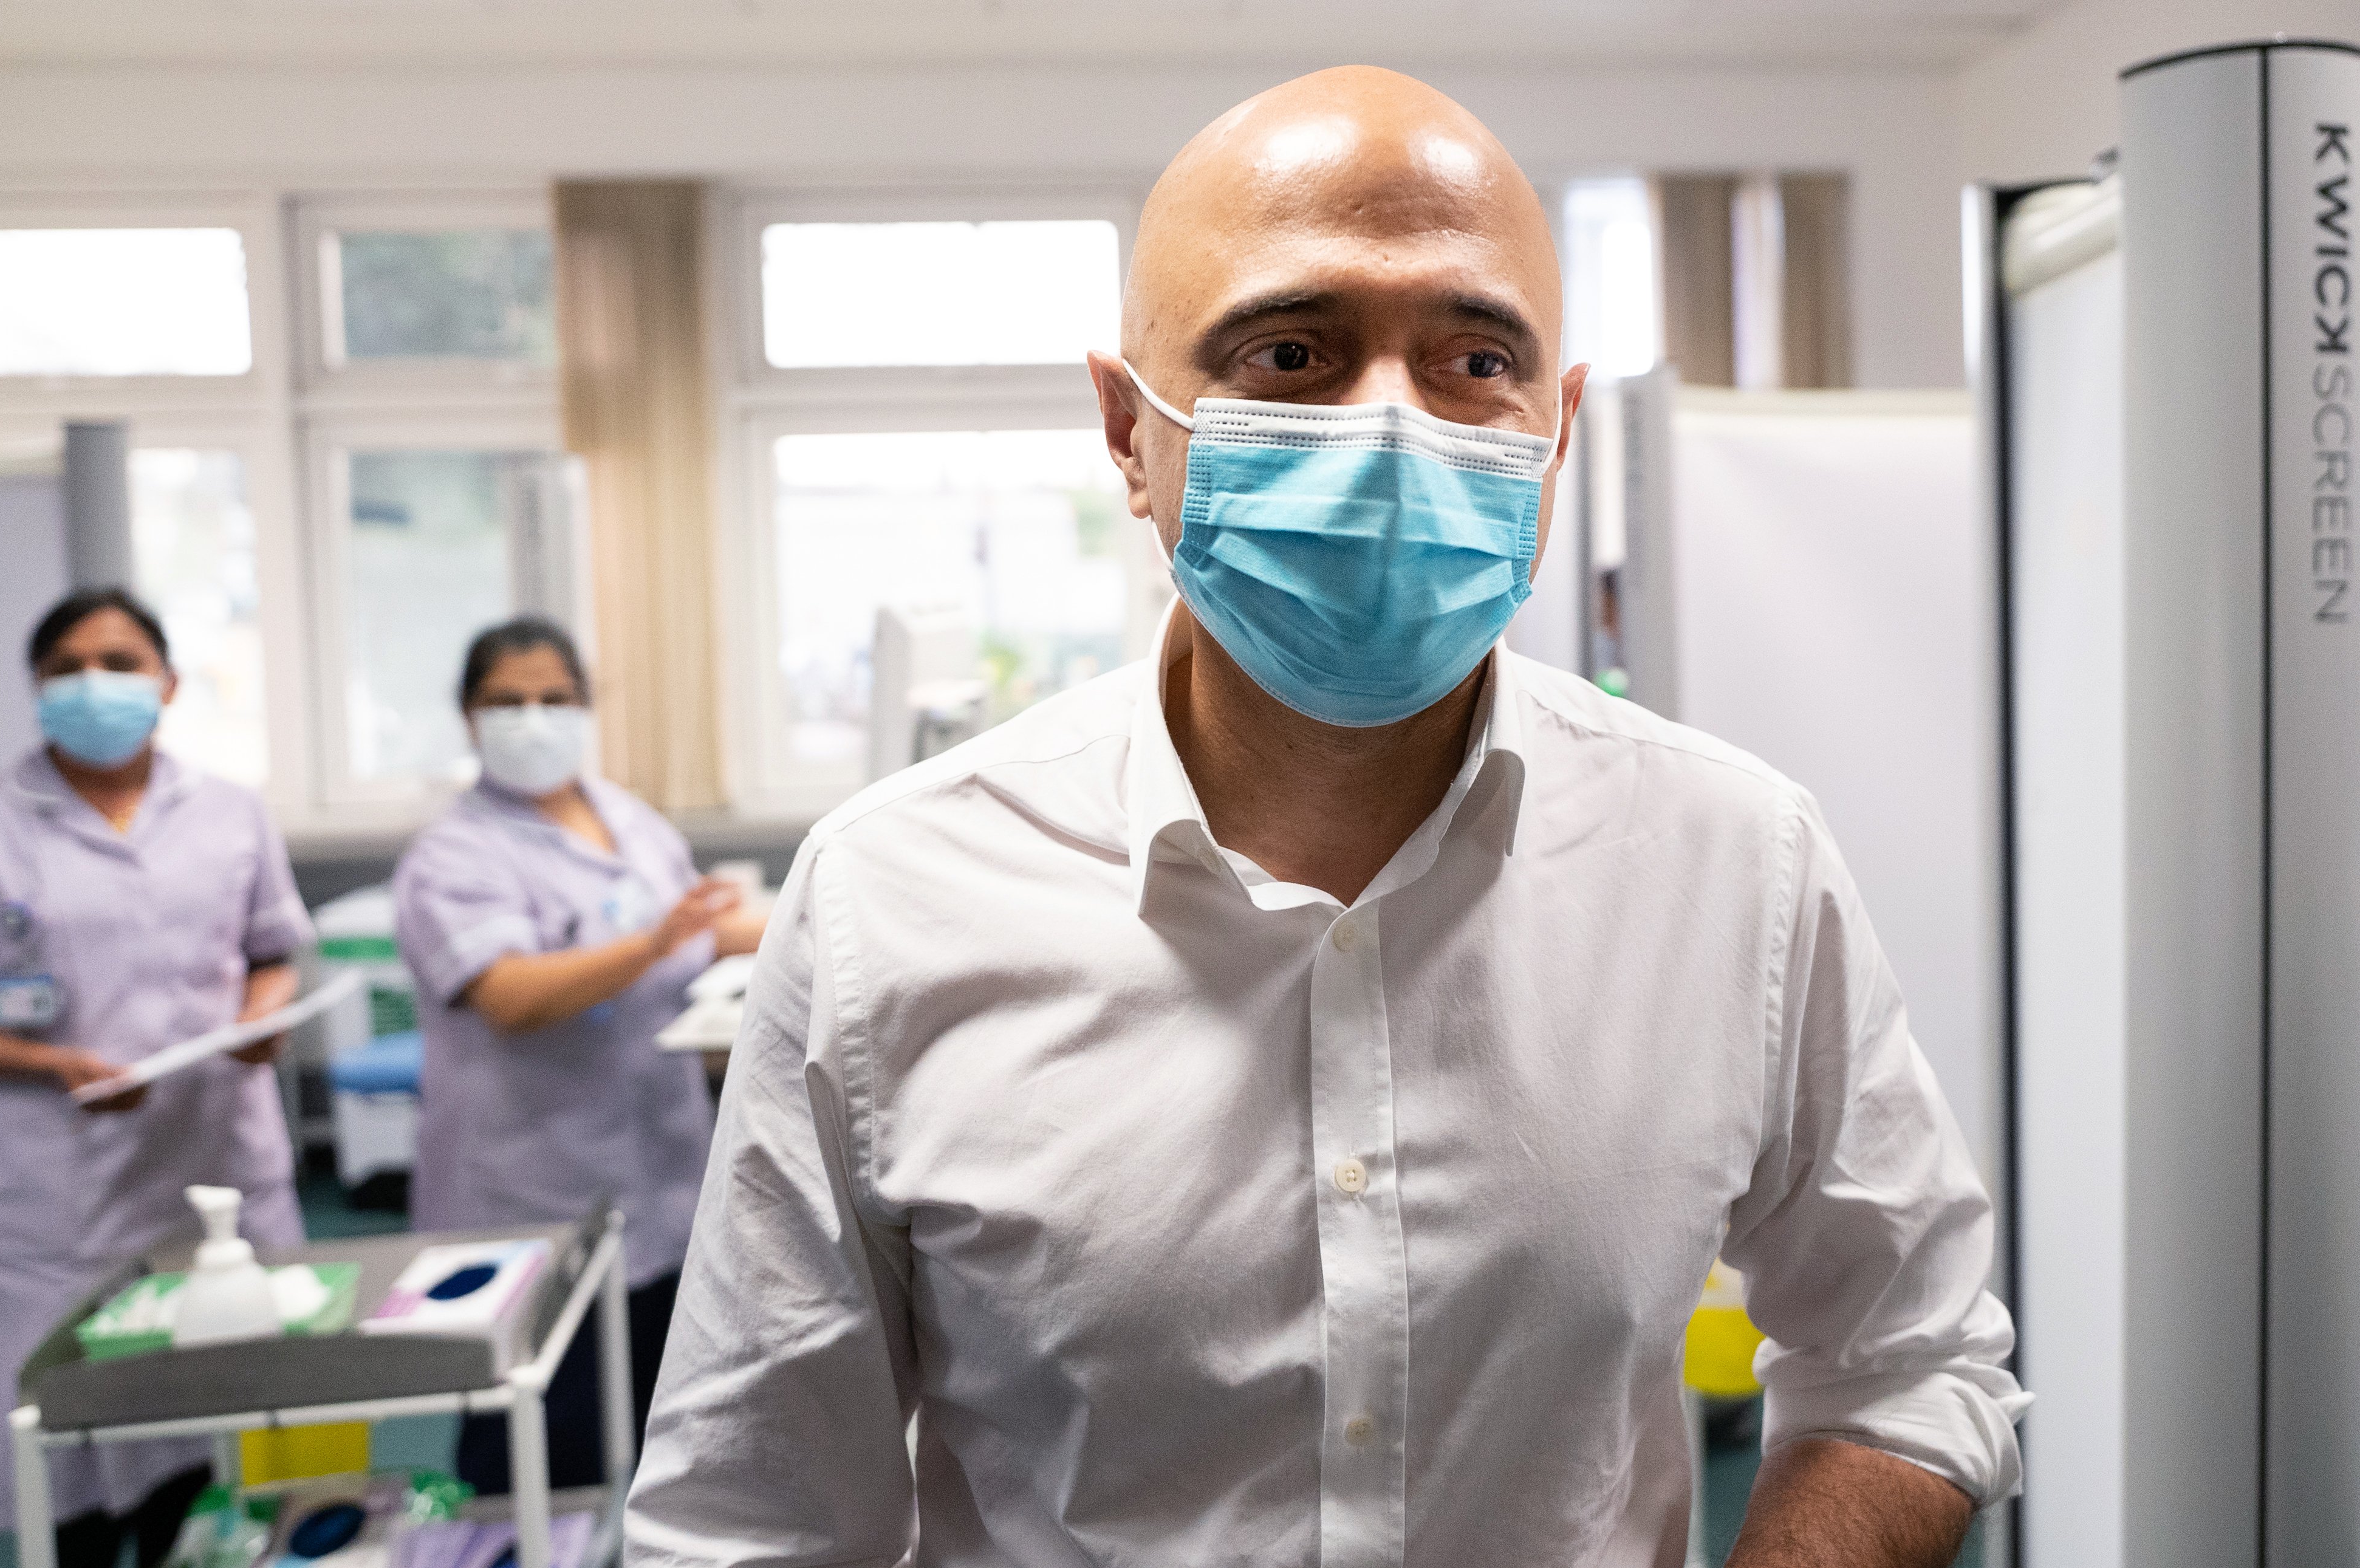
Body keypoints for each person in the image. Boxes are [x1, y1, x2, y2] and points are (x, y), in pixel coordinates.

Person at [626, 67, 2025, 1567]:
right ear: (1124, 427)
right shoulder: (886, 903)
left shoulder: (1734, 864)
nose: (1391, 430)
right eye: (1291, 351)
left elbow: (1912, 1355)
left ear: (1554, 432)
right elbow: (748, 1525)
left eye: (1473, 356)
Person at [0, 587, 310, 1567]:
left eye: (119, 662)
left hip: (211, 1159)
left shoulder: (231, 811)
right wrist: (47, 1061)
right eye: (66, 666)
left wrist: (257, 1017)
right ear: (36, 690)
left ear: (169, 684)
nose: (93, 684)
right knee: (60, 1455)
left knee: (211, 1432)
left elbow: (273, 947)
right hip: (52, 1197)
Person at [392, 615, 762, 1491]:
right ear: (469, 715)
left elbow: (701, 935)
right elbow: (512, 995)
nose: (533, 718)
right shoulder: (452, 855)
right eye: (507, 701)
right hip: (531, 1188)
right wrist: (650, 941)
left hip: (658, 1176)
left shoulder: (623, 818)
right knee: (532, 1457)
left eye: (554, 698)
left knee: (656, 1434)